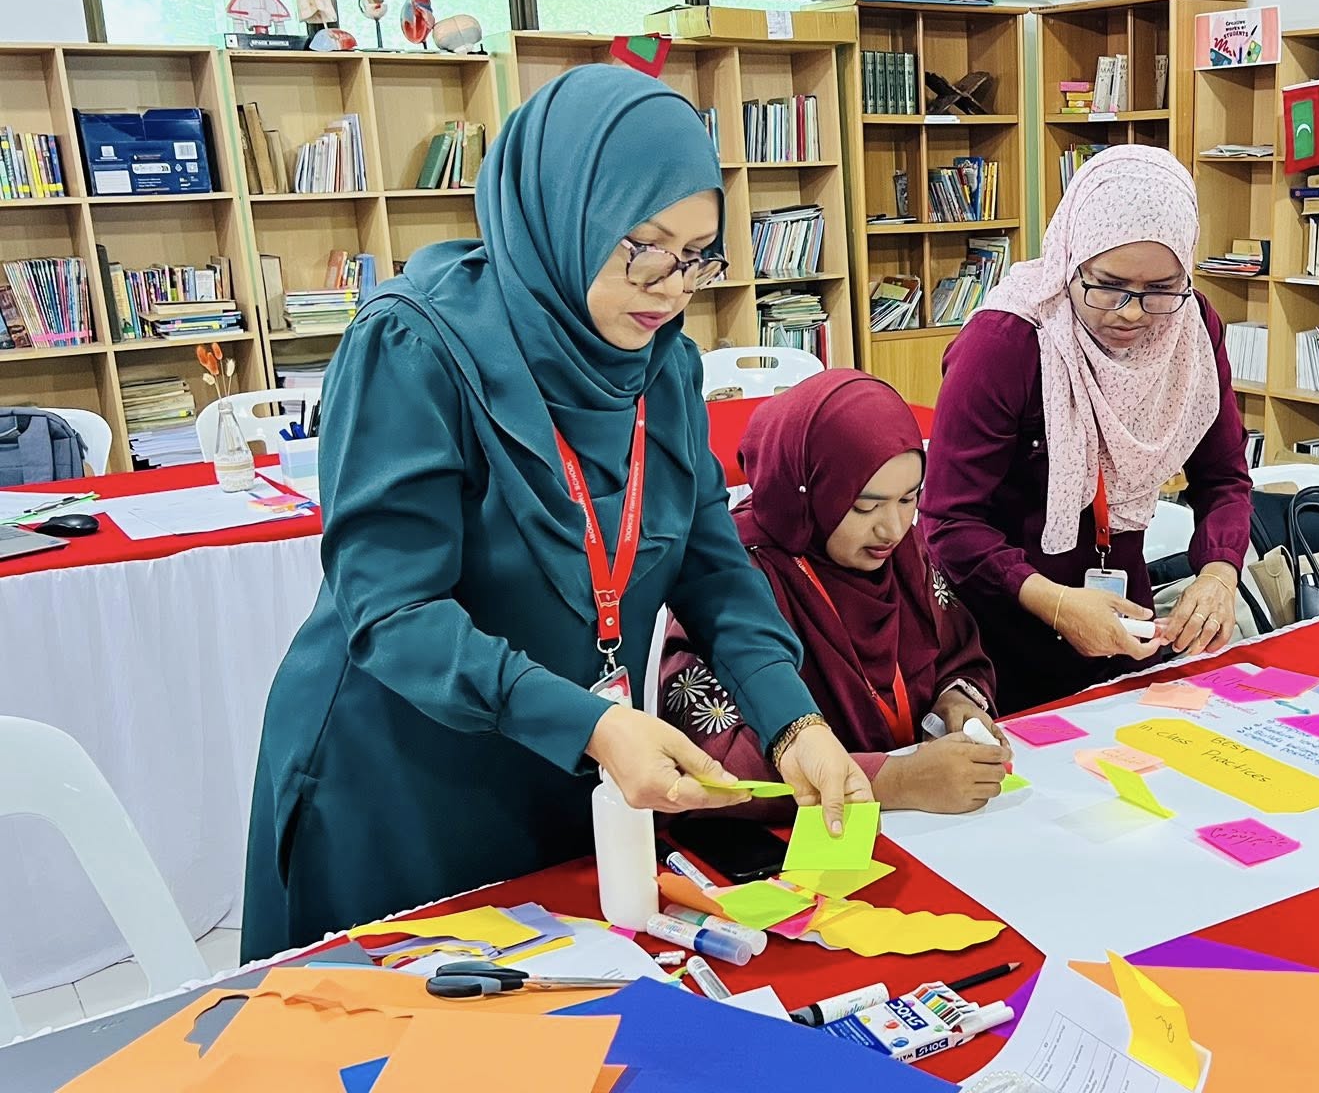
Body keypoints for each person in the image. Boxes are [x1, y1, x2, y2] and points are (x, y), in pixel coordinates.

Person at [241, 66, 871, 961]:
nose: (671, 287)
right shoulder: (413, 346)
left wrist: (792, 720)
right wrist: (594, 725)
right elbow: (392, 611)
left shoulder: (663, 365)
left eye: (698, 255)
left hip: (566, 762)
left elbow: (711, 564)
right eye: (645, 247)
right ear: (564, 212)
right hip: (401, 776)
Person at [920, 146, 1253, 713]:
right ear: (1071, 258)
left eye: (1161, 289)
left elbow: (1224, 479)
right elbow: (949, 523)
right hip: (997, 630)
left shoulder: (1191, 329)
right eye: (1108, 285)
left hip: (1122, 618)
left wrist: (1219, 574)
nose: (1132, 313)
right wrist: (1055, 604)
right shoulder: (1005, 344)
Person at [658, 370, 1012, 814]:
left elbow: (956, 651)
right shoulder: (733, 575)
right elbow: (712, 763)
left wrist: (955, 701)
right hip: (795, 838)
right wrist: (892, 781)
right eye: (865, 506)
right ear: (807, 492)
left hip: (921, 822)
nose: (892, 527)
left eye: (908, 499)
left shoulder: (903, 555)